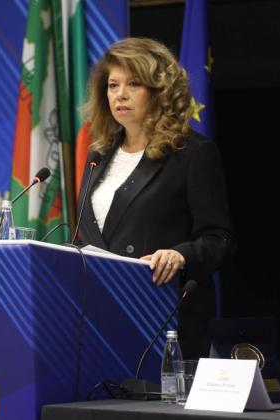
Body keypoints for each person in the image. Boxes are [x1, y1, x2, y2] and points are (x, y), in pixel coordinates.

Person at [77, 37, 235, 359]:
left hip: (160, 317)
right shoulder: (99, 155)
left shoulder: (191, 153)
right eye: (113, 85)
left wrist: (180, 255)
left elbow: (220, 239)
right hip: (100, 318)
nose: (120, 94)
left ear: (159, 90)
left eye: (134, 84)